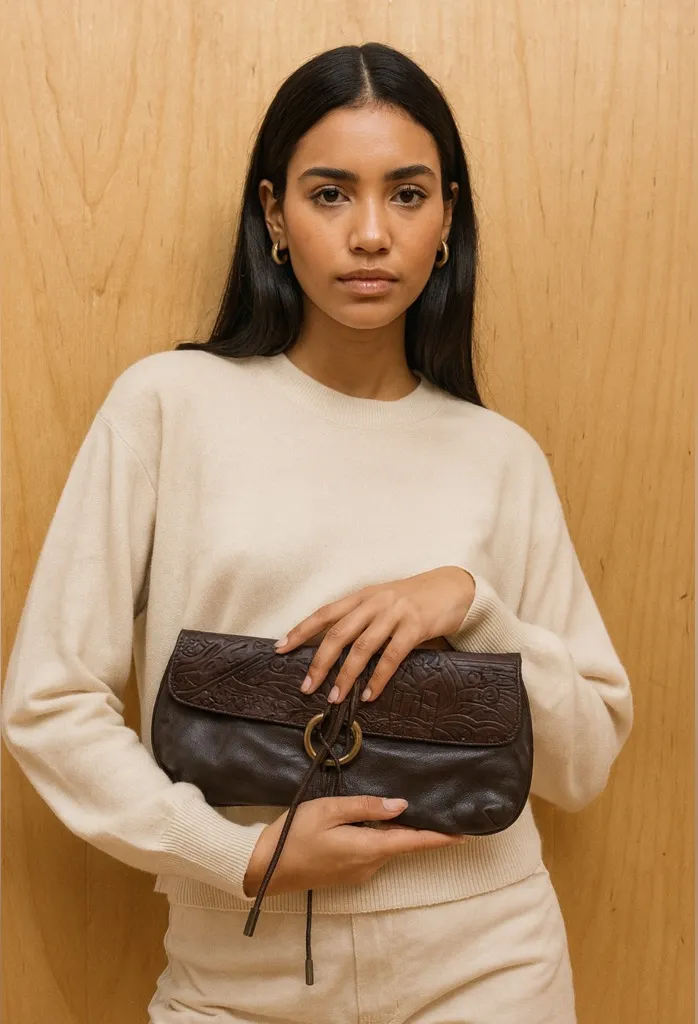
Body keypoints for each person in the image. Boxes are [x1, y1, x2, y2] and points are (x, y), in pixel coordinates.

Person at [1, 41, 633, 1024]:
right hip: (235, 978)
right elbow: (49, 700)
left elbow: (582, 762)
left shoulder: (500, 455)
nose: (370, 233)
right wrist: (240, 853)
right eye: (330, 193)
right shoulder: (168, 406)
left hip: (488, 965)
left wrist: (473, 606)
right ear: (272, 215)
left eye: (407, 195)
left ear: (447, 217)